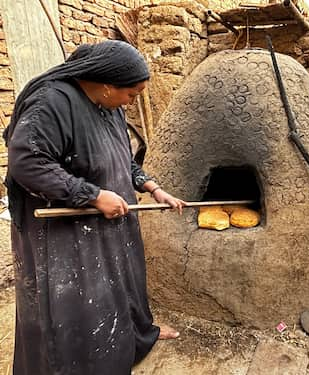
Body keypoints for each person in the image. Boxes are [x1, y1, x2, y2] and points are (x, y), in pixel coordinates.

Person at [4, 40, 186, 374]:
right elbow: (28, 162)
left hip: (110, 216)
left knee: (121, 284)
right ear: (105, 86)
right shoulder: (51, 102)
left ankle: (133, 339)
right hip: (65, 224)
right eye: (131, 94)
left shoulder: (111, 108)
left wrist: (152, 187)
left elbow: (121, 158)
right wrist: (92, 195)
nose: (132, 101)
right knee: (78, 301)